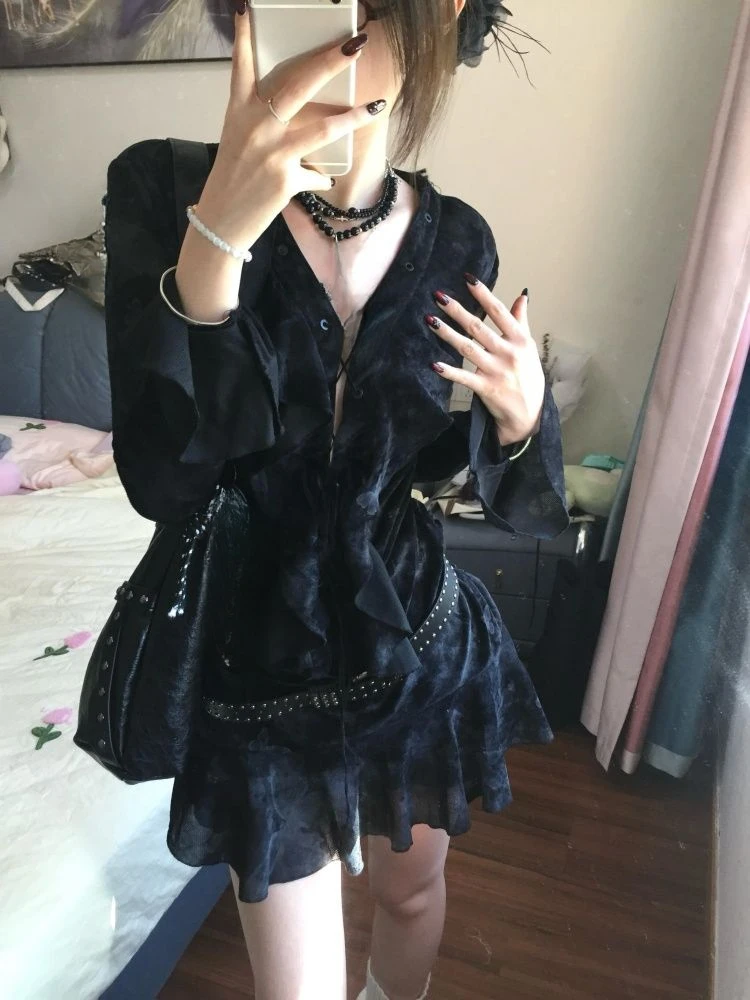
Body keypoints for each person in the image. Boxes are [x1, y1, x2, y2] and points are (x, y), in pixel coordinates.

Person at [102, 1, 570, 997]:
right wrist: (212, 252)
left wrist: (523, 418)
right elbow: (163, 480)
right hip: (258, 677)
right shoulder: (159, 187)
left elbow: (441, 468)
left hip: (416, 645)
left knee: (412, 897)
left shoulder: (459, 242)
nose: (335, 15)